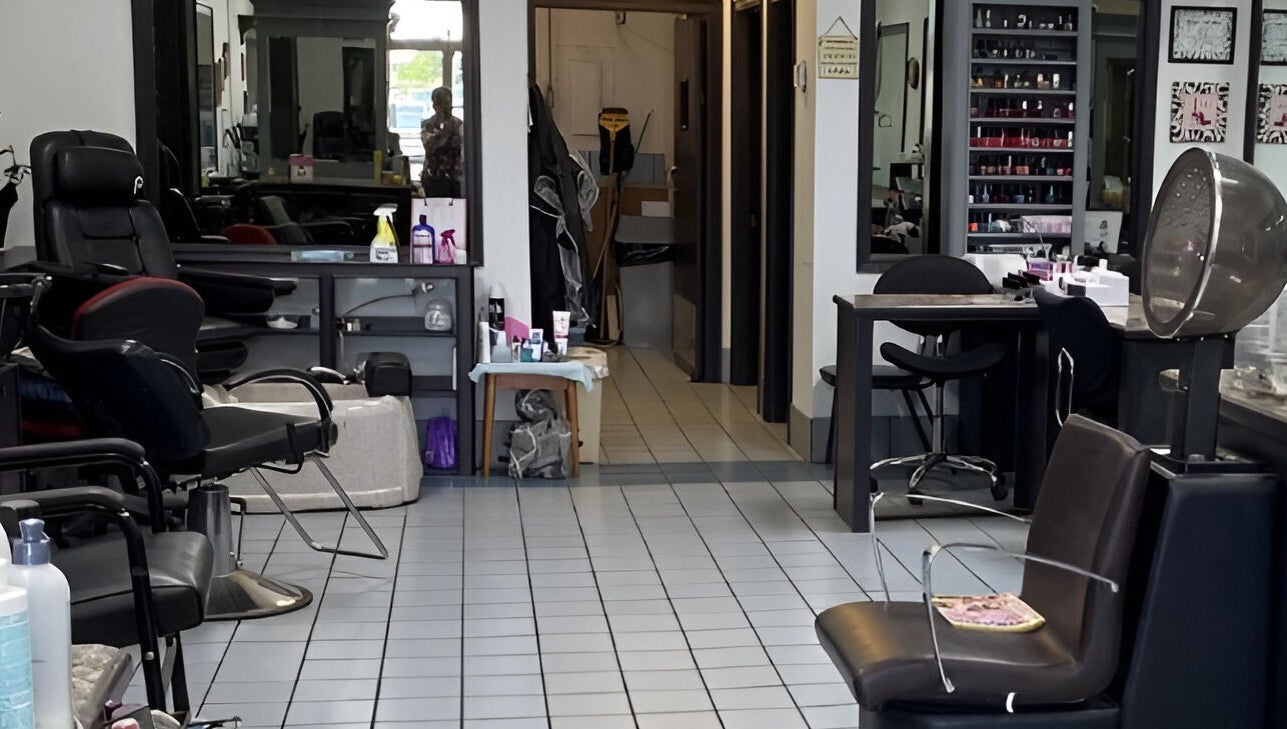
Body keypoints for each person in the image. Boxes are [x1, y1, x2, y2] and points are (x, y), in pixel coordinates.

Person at [420, 86, 464, 197]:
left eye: (448, 103)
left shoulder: (458, 124)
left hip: (454, 178)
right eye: (442, 103)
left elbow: (461, 146)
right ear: (435, 105)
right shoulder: (428, 125)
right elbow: (430, 146)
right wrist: (444, 134)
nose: (447, 107)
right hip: (433, 177)